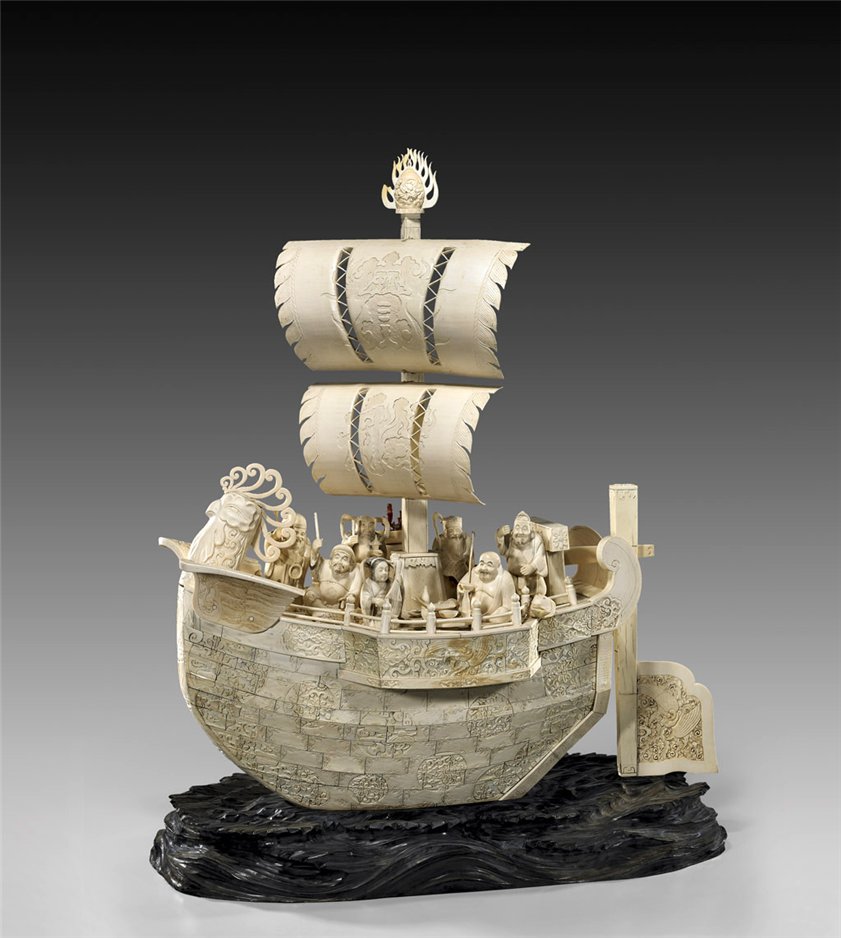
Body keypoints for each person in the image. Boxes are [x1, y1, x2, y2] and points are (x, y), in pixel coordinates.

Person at [497, 511, 548, 598]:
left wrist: (532, 566)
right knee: (509, 592)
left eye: (524, 528)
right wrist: (500, 536)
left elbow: (540, 556)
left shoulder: (536, 539)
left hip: (533, 577)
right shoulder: (510, 538)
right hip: (513, 575)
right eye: (517, 527)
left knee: (538, 592)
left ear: (530, 529)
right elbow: (502, 551)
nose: (520, 532)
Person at [456, 552, 516, 622]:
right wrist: (465, 588)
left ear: (498, 567)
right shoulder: (474, 572)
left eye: (489, 565)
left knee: (498, 618)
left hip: (491, 617)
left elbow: (508, 606)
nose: (484, 568)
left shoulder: (505, 578)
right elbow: (460, 587)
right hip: (471, 615)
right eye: (481, 564)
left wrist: (496, 616)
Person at [304, 543, 363, 609]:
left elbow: (354, 590)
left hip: (339, 605)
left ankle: (326, 612)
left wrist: (351, 596)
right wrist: (315, 551)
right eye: (337, 557)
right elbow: (314, 564)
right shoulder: (324, 564)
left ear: (350, 564)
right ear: (331, 560)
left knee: (350, 602)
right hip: (319, 600)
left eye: (345, 559)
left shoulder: (354, 572)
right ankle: (323, 609)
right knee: (310, 594)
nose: (339, 562)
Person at [263, 512, 311, 588]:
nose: (299, 536)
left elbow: (303, 576)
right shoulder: (275, 546)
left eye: (302, 534)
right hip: (271, 587)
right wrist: (278, 533)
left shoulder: (304, 551)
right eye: (296, 532)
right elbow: (269, 540)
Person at [431, 514, 472, 596]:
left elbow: (468, 554)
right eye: (451, 530)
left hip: (462, 566)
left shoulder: (466, 538)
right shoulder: (440, 540)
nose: (455, 533)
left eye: (457, 530)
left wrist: (466, 557)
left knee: (465, 583)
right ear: (445, 531)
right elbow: (435, 554)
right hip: (446, 569)